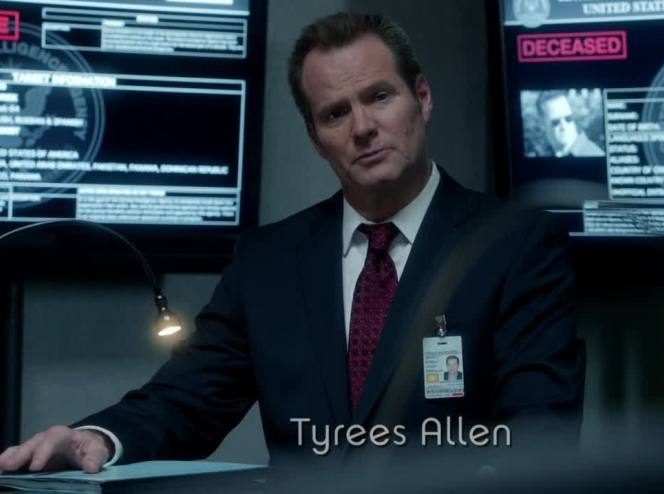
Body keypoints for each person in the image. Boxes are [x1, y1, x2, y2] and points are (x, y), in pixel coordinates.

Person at [0, 12, 580, 473]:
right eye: (336, 113)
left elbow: (540, 433)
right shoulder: (268, 262)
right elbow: (188, 399)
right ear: (316, 137)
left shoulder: (516, 245)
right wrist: (97, 439)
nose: (362, 127)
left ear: (422, 98)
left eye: (380, 96)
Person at [538, 91, 604, 158]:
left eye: (568, 118)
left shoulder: (592, 154)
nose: (564, 126)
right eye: (556, 121)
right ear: (543, 124)